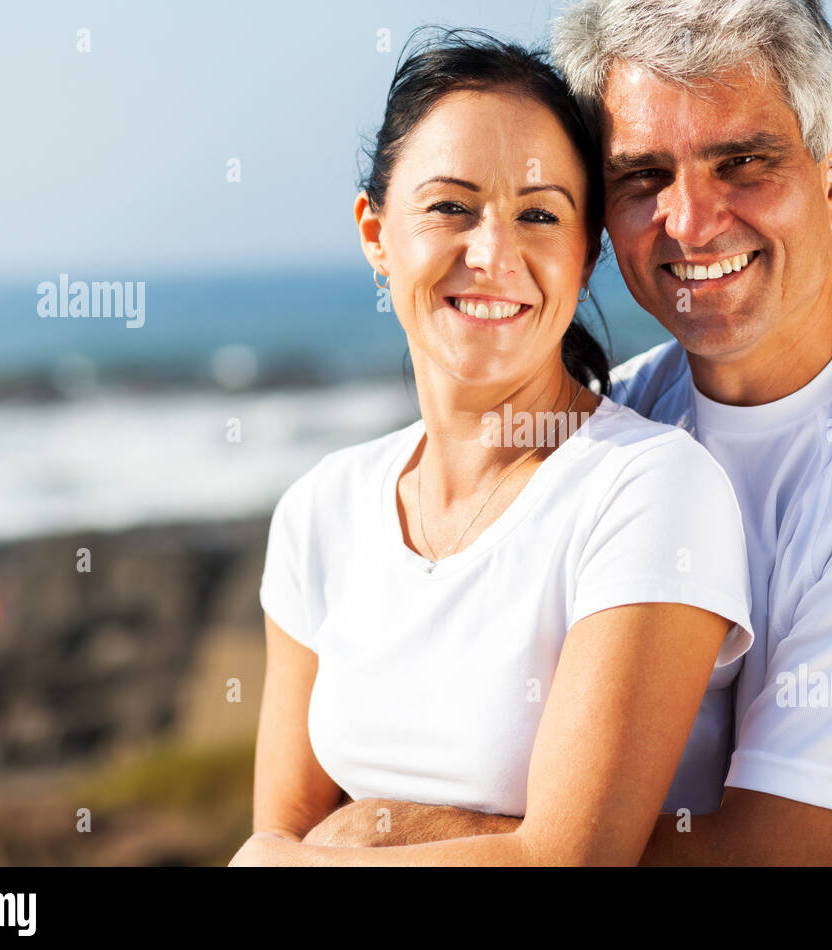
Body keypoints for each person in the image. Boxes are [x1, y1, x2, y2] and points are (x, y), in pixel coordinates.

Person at [306, 0, 832, 866]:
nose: (690, 221)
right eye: (642, 176)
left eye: (742, 163)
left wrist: (378, 835)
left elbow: (763, 857)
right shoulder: (619, 433)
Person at [229, 28, 754, 867]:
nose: (494, 254)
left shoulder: (648, 490)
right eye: (450, 207)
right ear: (375, 233)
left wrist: (359, 833)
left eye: (539, 214)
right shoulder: (321, 510)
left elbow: (574, 860)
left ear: (584, 256)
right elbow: (277, 831)